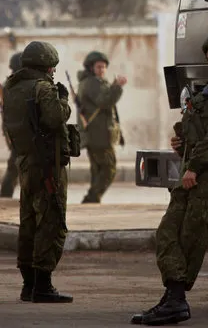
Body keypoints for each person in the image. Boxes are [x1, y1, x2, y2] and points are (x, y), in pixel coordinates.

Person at [130, 32, 208, 326]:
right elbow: (196, 125)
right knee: (167, 231)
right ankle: (173, 297)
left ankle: (176, 300)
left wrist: (194, 166)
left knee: (190, 236)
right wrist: (181, 140)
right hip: (195, 167)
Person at [2, 40, 73, 303]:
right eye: (52, 67)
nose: (54, 71)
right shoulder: (42, 87)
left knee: (29, 220)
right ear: (47, 65)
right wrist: (63, 100)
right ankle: (43, 286)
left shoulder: (12, 88)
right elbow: (55, 118)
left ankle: (28, 285)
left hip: (25, 162)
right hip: (47, 164)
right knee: (51, 221)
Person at [77, 51, 127, 204]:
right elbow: (104, 101)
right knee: (109, 169)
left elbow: (110, 110)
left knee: (97, 169)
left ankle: (93, 199)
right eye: (99, 67)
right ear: (91, 68)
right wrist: (117, 87)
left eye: (104, 67)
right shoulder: (91, 83)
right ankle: (91, 197)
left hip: (98, 134)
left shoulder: (96, 82)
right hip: (98, 136)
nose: (102, 70)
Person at [0, 52, 23, 197]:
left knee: (16, 162)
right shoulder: (11, 85)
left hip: (15, 128)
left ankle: (5, 194)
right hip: (15, 130)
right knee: (16, 162)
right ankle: (5, 194)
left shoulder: (10, 84)